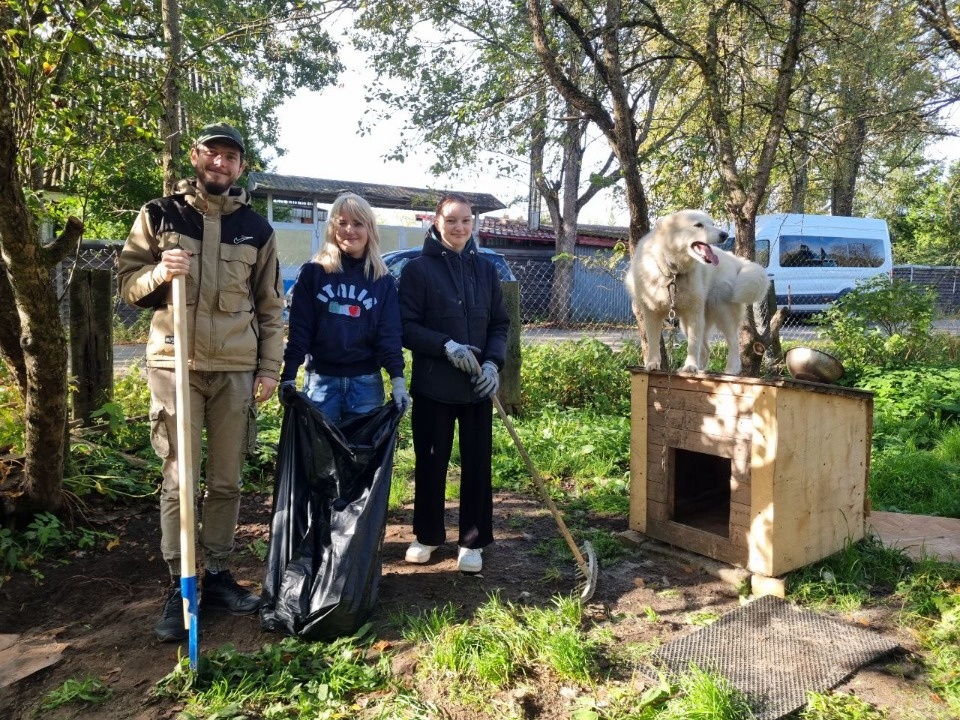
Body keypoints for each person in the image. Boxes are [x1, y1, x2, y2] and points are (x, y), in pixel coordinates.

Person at [118, 122, 285, 642]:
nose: (220, 163)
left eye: (230, 157)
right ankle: (181, 582)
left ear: (240, 166)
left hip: (235, 368)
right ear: (195, 157)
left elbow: (270, 307)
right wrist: (160, 273)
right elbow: (127, 287)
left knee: (227, 480)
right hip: (175, 365)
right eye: (213, 153)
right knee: (179, 479)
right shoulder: (160, 214)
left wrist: (269, 368)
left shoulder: (257, 229)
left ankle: (216, 573)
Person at [398, 192, 510, 573]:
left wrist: (492, 364)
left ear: (473, 223)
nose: (459, 227)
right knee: (431, 463)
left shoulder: (487, 271)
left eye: (465, 220)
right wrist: (444, 345)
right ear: (436, 223)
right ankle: (428, 535)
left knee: (477, 465)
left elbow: (500, 324)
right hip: (433, 388)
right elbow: (406, 327)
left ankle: (472, 542)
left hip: (477, 388)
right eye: (451, 220)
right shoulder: (417, 271)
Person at [279, 192, 410, 420]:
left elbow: (389, 336)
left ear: (370, 229)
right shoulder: (313, 273)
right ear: (332, 228)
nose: (350, 230)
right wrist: (288, 376)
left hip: (366, 386)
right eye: (342, 223)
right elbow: (300, 330)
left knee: (364, 445)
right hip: (321, 384)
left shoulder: (382, 281)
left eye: (358, 223)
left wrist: (398, 381)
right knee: (318, 445)